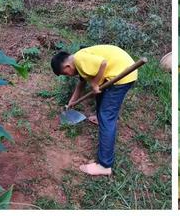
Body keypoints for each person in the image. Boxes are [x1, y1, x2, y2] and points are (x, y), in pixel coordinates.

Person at [51, 45, 137, 176]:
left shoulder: (80, 60)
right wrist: (72, 102)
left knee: (107, 117)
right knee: (99, 95)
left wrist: (95, 84)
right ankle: (99, 118)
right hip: (118, 69)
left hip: (122, 75)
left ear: (67, 67)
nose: (68, 76)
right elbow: (81, 84)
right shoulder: (79, 62)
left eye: (65, 74)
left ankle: (104, 165)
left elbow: (103, 63)